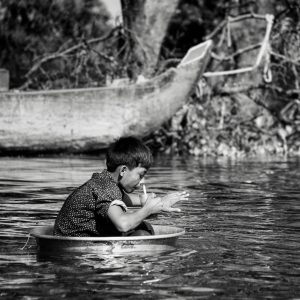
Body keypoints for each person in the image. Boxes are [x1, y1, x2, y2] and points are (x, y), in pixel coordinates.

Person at [53, 136, 189, 237]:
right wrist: (147, 210)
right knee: (142, 234)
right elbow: (123, 225)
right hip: (72, 248)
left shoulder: (106, 182)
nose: (142, 182)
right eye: (140, 175)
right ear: (123, 170)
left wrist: (160, 202)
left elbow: (136, 200)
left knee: (142, 226)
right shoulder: (106, 188)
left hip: (75, 243)